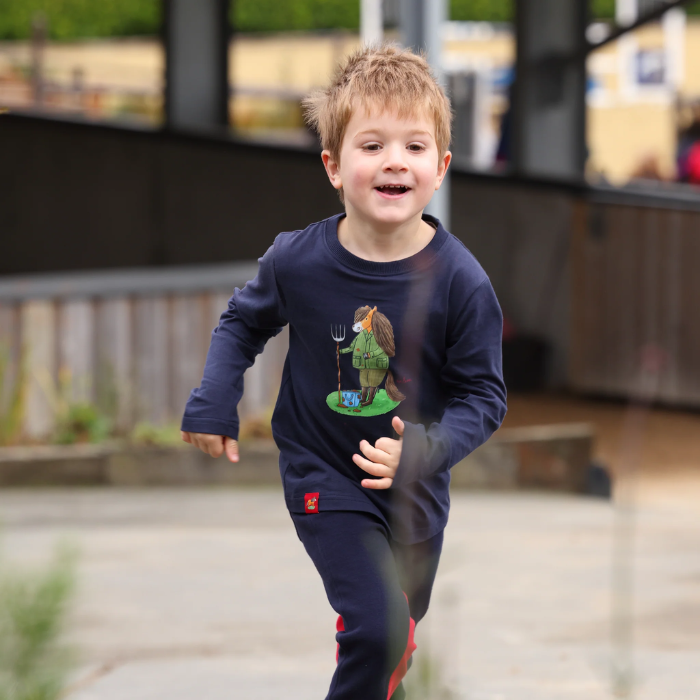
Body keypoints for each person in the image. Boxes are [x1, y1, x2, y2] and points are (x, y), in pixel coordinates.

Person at [180, 44, 507, 700]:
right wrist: (215, 396)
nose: (394, 161)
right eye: (372, 145)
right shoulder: (297, 261)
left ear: (440, 167)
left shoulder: (460, 281)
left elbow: (483, 395)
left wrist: (425, 450)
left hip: (415, 493)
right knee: (379, 629)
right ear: (333, 165)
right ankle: (373, 634)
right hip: (322, 473)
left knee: (393, 633)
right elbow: (242, 324)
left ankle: (378, 638)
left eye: (415, 147)